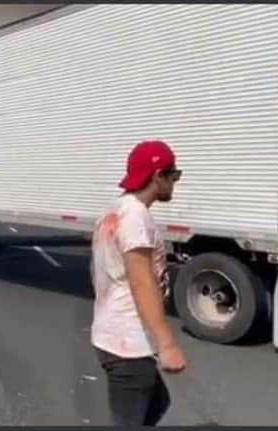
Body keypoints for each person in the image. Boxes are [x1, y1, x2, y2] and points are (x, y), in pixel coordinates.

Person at [90, 140, 187, 426]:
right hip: (128, 345)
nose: (175, 182)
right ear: (158, 176)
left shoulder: (115, 210)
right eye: (174, 175)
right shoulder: (136, 217)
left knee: (158, 402)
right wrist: (167, 344)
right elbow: (141, 282)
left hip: (113, 333)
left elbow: (99, 272)